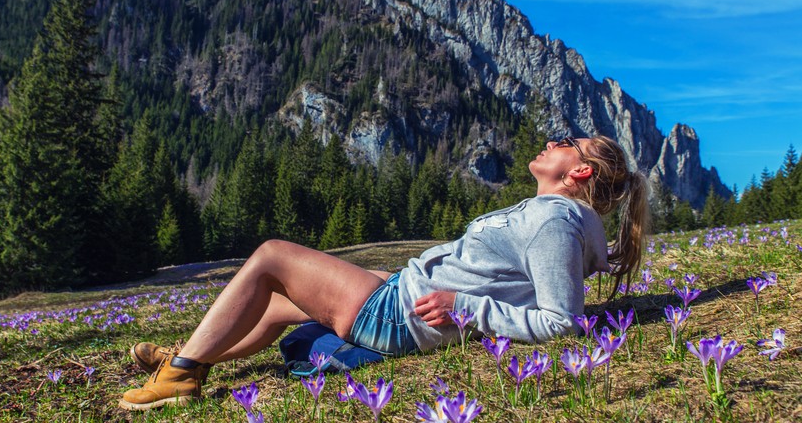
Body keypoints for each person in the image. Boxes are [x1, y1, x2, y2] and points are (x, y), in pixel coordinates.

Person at [118, 135, 650, 411]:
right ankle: (195, 355)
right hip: (401, 295)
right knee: (280, 299)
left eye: (565, 141)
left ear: (578, 170)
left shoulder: (553, 222)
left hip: (402, 317)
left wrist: (465, 309)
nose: (551, 142)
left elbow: (561, 321)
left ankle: (181, 374)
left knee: (272, 257)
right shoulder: (553, 219)